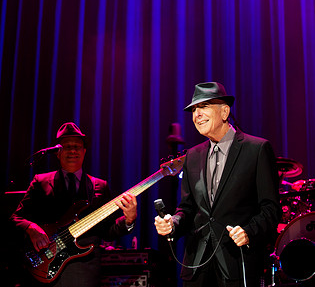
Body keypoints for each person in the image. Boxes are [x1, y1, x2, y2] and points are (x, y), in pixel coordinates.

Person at [154, 82, 281, 287]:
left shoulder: (256, 149)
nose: (197, 114)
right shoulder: (192, 156)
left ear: (224, 112)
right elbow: (187, 208)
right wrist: (173, 223)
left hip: (237, 263)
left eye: (204, 107)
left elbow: (271, 208)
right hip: (197, 267)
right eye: (194, 109)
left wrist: (249, 232)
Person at [10, 122, 137, 287]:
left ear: (84, 152)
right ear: (58, 152)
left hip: (83, 271)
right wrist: (31, 228)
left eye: (77, 146)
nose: (72, 150)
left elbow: (108, 231)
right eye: (67, 146)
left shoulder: (99, 186)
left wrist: (129, 220)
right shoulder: (40, 182)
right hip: (42, 266)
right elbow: (16, 217)